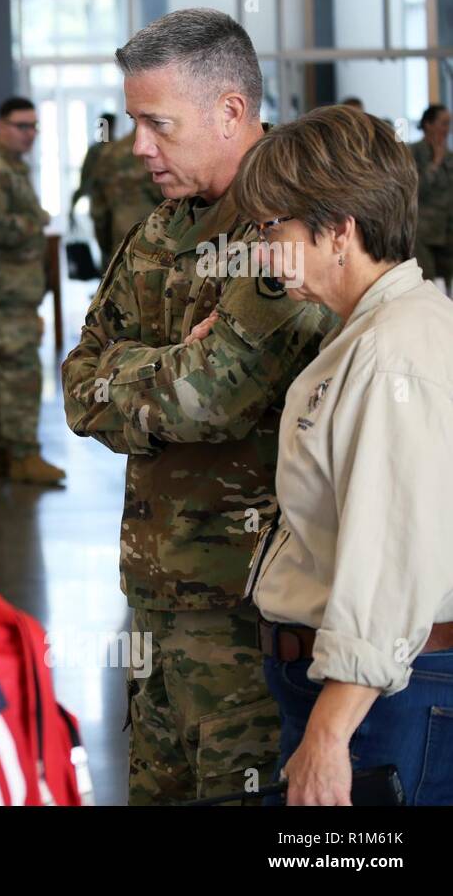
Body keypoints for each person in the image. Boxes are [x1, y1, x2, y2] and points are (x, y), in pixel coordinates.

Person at [61, 8, 337, 805]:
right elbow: (78, 384)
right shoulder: (162, 226)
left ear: (229, 112)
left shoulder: (291, 220)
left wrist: (149, 371)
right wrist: (172, 362)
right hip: (155, 602)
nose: (139, 145)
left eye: (157, 124)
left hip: (250, 620)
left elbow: (204, 399)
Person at [231, 106, 453, 806]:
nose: (263, 252)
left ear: (339, 230)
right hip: (360, 694)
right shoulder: (370, 335)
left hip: (381, 702)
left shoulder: (393, 354)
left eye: (274, 229)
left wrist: (329, 733)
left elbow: (392, 558)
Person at [0, 97, 64, 485]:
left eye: (34, 126)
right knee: (20, 372)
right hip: (5, 290)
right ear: (1, 126)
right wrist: (35, 220)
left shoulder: (4, 168)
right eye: (22, 126)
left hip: (1, 289)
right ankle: (23, 455)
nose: (30, 134)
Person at [87, 132, 163, 268]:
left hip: (121, 247)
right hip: (162, 249)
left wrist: (106, 247)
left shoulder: (109, 153)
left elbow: (99, 213)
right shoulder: (164, 151)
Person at [409, 104, 453, 289]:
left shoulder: (450, 156)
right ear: (428, 124)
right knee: (425, 282)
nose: (447, 129)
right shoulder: (412, 152)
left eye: (448, 124)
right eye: (443, 123)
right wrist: (434, 164)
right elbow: (413, 189)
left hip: (447, 230)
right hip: (422, 232)